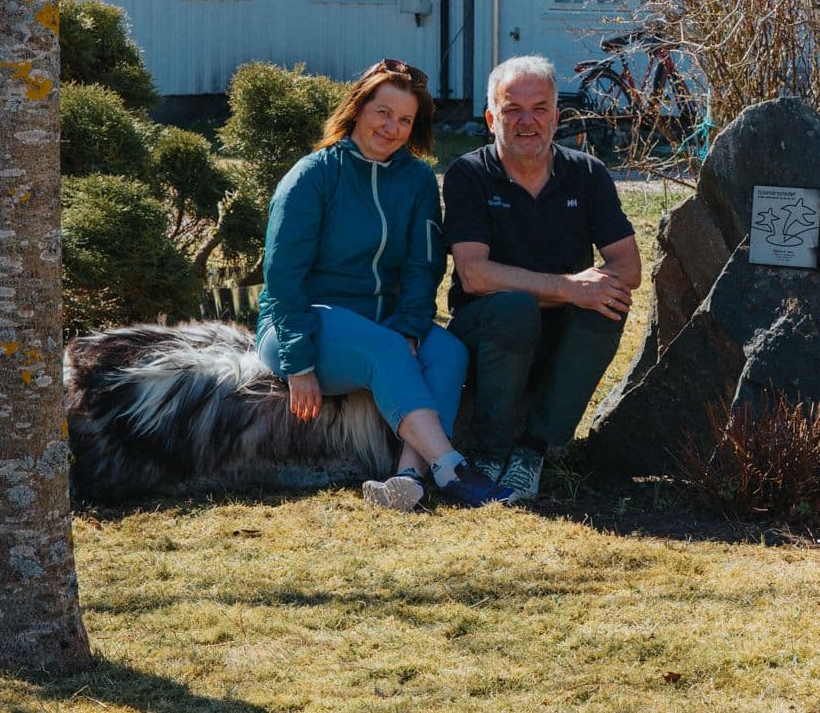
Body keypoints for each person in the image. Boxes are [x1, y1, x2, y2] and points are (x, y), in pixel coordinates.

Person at [256, 59, 495, 510]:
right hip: (302, 324)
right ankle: (453, 469)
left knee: (449, 352)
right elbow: (283, 276)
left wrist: (410, 329)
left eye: (405, 120)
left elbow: (424, 266)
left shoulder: (418, 180)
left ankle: (409, 478)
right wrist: (298, 363)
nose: (391, 128)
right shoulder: (312, 175)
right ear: (357, 108)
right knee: (383, 348)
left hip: (382, 320)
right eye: (382, 112)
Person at [444, 55, 640, 503]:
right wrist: (569, 290)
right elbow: (474, 276)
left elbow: (629, 269)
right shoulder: (468, 174)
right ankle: (489, 453)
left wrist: (577, 294)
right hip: (487, 334)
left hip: (556, 334)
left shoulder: (587, 173)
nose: (526, 121)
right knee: (515, 308)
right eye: (512, 109)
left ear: (556, 117)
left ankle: (532, 451)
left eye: (539, 108)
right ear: (491, 118)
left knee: (610, 302)